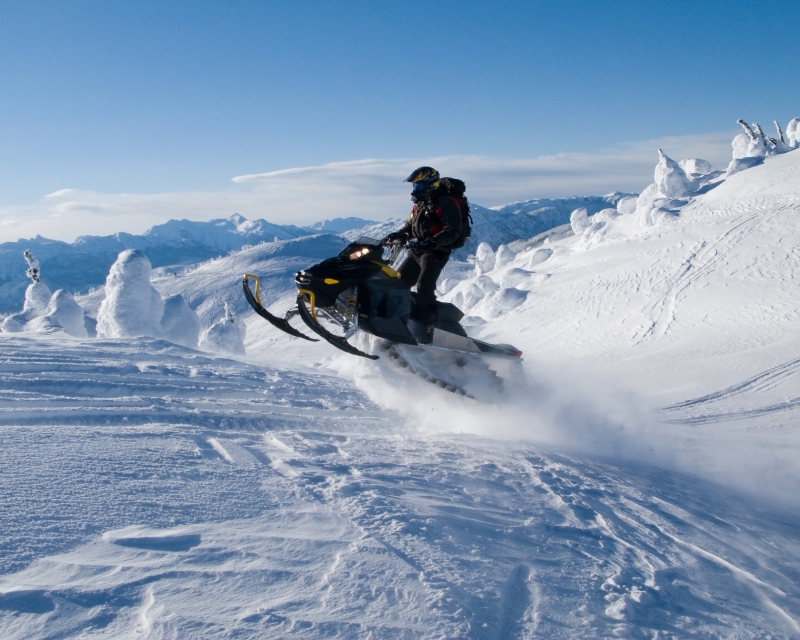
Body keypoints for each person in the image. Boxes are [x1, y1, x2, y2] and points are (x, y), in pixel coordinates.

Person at [382, 166, 462, 344]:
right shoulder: (421, 204)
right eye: (414, 186)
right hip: (417, 251)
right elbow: (411, 227)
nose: (415, 190)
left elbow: (453, 231)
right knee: (398, 283)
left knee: (424, 288)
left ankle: (428, 331)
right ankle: (399, 324)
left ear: (430, 184)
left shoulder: (445, 202)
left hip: (435, 252)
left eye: (418, 186)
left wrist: (431, 242)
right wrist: (399, 235)